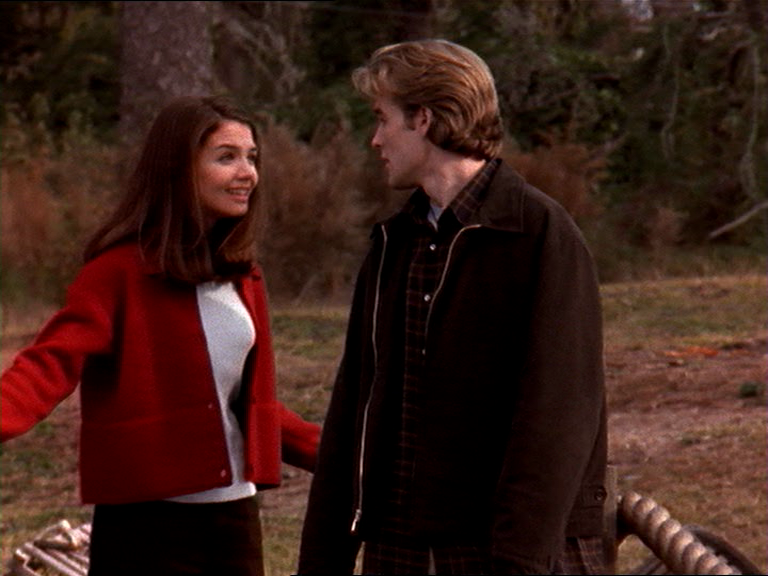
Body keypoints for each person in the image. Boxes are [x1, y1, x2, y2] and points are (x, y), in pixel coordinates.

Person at [298, 39, 607, 575]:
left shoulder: (538, 234)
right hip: (396, 545)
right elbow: (353, 408)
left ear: (423, 118)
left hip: (497, 550)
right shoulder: (394, 242)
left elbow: (557, 416)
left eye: (382, 119)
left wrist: (520, 562)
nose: (375, 139)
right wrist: (323, 560)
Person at [0, 95, 321, 576]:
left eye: (251, 157)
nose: (247, 173)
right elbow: (50, 365)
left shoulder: (243, 275)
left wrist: (339, 454)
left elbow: (247, 406)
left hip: (234, 521)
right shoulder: (117, 272)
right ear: (178, 169)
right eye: (226, 157)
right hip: (145, 528)